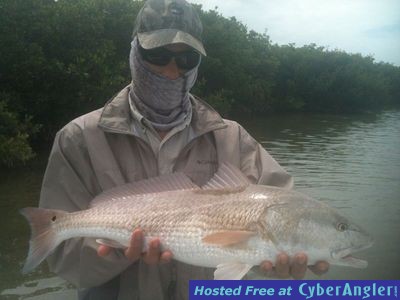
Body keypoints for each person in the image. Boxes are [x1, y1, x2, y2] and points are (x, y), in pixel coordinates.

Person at [39, 0, 329, 299]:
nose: (171, 71)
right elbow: (64, 260)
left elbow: (283, 213)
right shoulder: (78, 138)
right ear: (134, 52)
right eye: (157, 54)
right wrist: (118, 245)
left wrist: (268, 264)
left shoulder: (233, 138)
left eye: (186, 59)